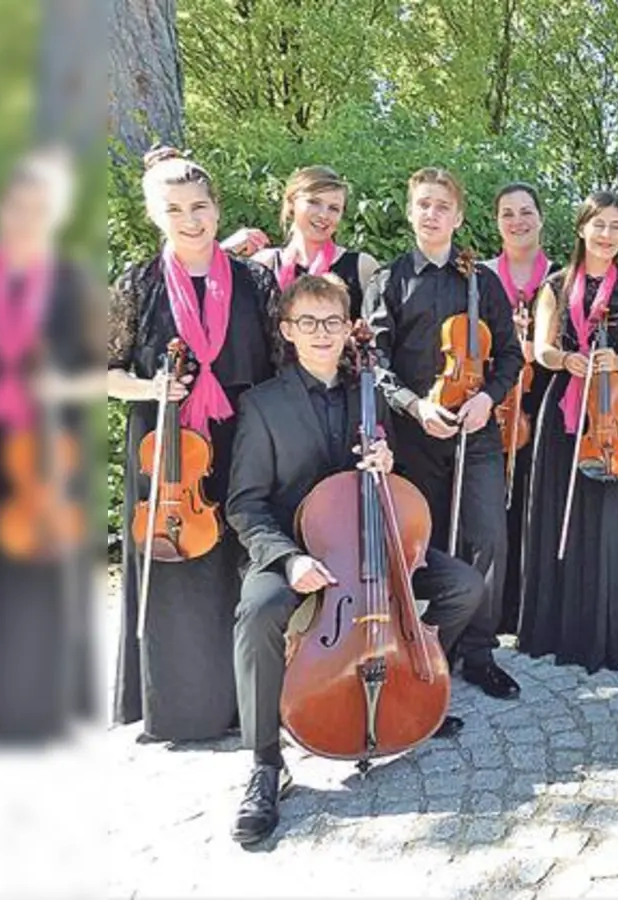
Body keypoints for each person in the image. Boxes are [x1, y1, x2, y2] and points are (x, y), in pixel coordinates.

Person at [225, 274, 484, 846]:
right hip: (300, 552)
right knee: (260, 610)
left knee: (464, 587)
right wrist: (288, 560)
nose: (323, 333)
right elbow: (244, 504)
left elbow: (386, 486)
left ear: (349, 328)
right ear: (288, 330)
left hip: (368, 547)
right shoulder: (262, 405)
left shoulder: (366, 391)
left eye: (333, 322)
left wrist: (388, 463)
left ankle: (411, 685)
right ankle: (266, 762)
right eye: (309, 323)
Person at [107, 148, 280, 740]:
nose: (190, 219)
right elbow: (99, 372)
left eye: (200, 206)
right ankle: (181, 710)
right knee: (178, 575)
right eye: (174, 209)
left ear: (216, 208)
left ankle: (251, 702)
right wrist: (149, 385)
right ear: (156, 214)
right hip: (167, 445)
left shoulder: (255, 280)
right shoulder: (137, 283)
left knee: (239, 566)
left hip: (241, 437)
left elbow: (280, 366)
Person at [0, 150, 100, 742]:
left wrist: (55, 383)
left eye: (42, 209)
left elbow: (95, 372)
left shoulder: (69, 286)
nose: (28, 218)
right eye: (19, 207)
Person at [364, 168, 524, 700]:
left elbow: (510, 356)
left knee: (487, 538)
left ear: (458, 216)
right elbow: (375, 361)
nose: (432, 214)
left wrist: (486, 398)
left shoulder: (483, 282)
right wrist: (413, 405)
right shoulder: (388, 281)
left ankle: (477, 654)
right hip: (413, 438)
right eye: (423, 204)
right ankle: (420, 648)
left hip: (474, 433)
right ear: (411, 211)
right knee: (418, 547)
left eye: (442, 206)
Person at [518, 192, 618, 672]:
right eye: (599, 225)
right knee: (566, 517)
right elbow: (541, 349)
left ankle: (615, 629)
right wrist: (567, 359)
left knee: (616, 519)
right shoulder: (556, 284)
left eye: (616, 226)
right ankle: (564, 628)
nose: (607, 234)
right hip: (567, 413)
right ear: (581, 229)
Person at [483, 183, 551, 637]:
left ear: (541, 218)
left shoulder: (560, 278)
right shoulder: (483, 276)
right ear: (497, 222)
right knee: (493, 508)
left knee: (534, 503)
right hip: (493, 403)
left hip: (543, 401)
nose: (518, 221)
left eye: (526, 212)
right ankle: (496, 610)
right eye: (508, 213)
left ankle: (533, 608)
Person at [221, 165, 381, 319]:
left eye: (334, 208)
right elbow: (215, 304)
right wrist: (226, 249)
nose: (323, 215)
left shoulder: (361, 268)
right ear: (292, 204)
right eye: (314, 202)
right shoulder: (265, 264)